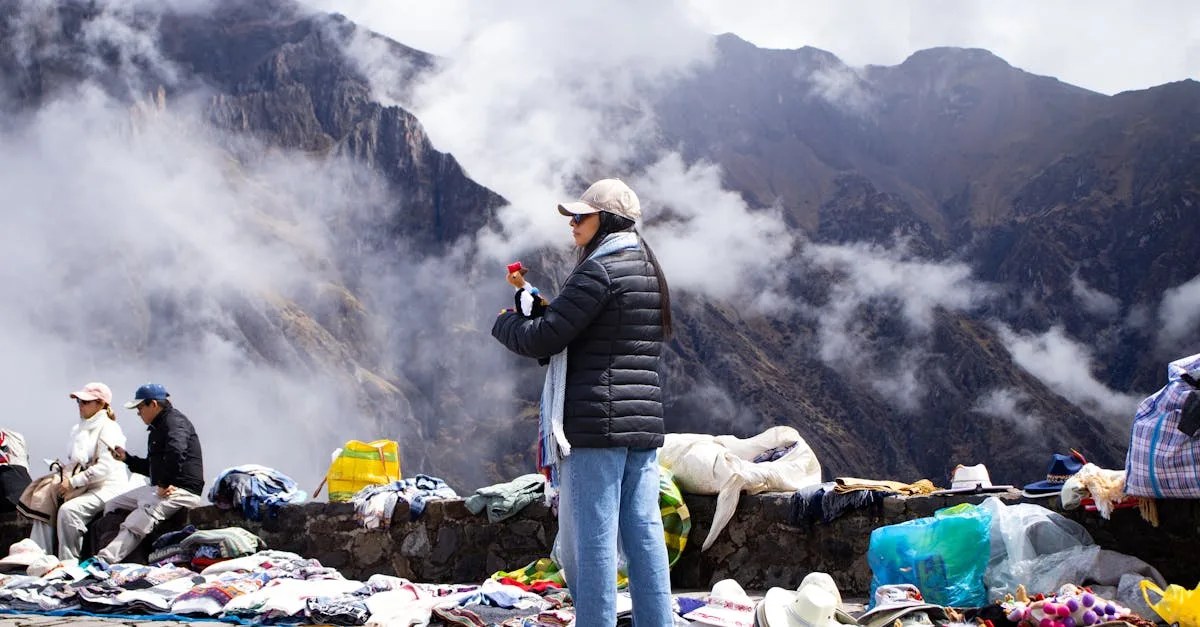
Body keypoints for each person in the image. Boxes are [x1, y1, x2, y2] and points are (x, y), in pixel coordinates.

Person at [491, 178, 674, 627]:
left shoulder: (599, 270)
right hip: (641, 423)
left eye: (581, 216)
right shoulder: (646, 268)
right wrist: (546, 311)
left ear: (606, 220)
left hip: (596, 424)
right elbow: (590, 330)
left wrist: (506, 323)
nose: (572, 224)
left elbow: (548, 336)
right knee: (644, 533)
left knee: (591, 542)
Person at [96, 383, 205, 563]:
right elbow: (152, 468)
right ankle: (126, 557)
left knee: (142, 515)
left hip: (180, 490)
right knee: (113, 505)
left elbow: (176, 451)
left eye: (140, 408)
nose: (139, 413)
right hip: (161, 487)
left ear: (153, 404)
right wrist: (127, 459)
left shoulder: (174, 422)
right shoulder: (157, 427)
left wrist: (165, 483)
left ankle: (105, 561)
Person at [28, 383, 130, 560]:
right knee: (43, 501)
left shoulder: (110, 428)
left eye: (86, 402)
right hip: (84, 487)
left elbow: (105, 467)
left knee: (69, 511)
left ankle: (69, 561)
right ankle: (38, 557)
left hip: (108, 487)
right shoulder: (78, 429)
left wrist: (73, 482)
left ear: (101, 404)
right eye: (79, 402)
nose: (81, 406)